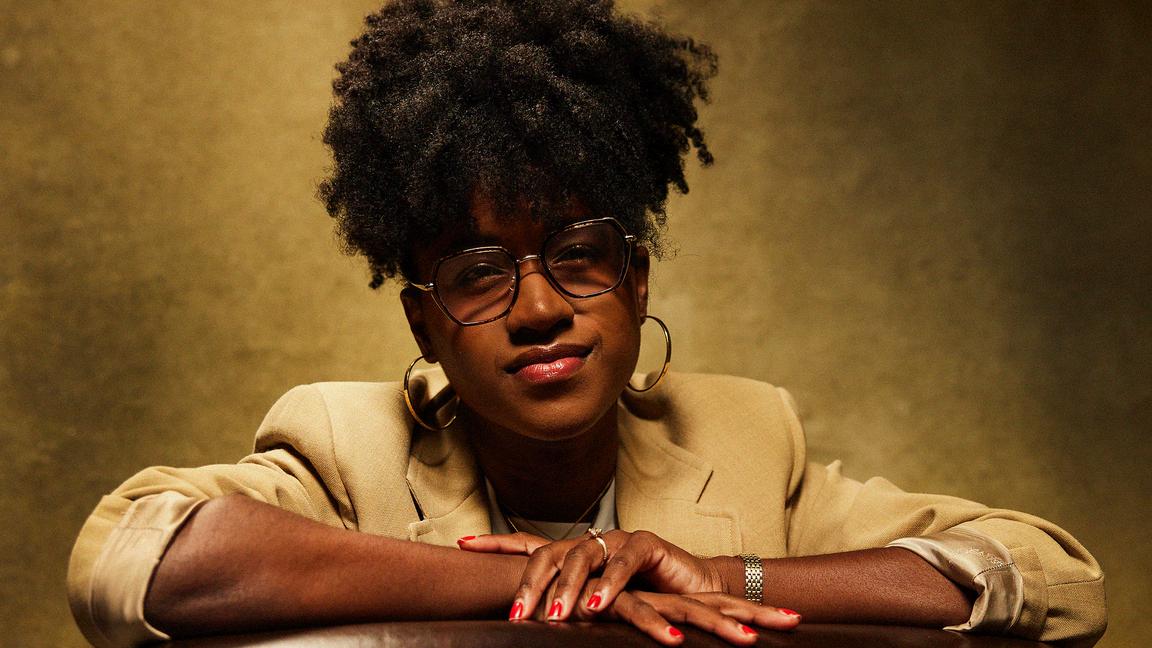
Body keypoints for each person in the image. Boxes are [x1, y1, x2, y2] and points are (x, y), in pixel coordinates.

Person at [66, 1, 1106, 647]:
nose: (539, 309)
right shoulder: (343, 445)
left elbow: (1056, 580)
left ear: (636, 281)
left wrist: (722, 577)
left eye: (577, 254)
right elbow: (136, 561)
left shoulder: (746, 437)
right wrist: (526, 579)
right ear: (425, 326)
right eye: (480, 273)